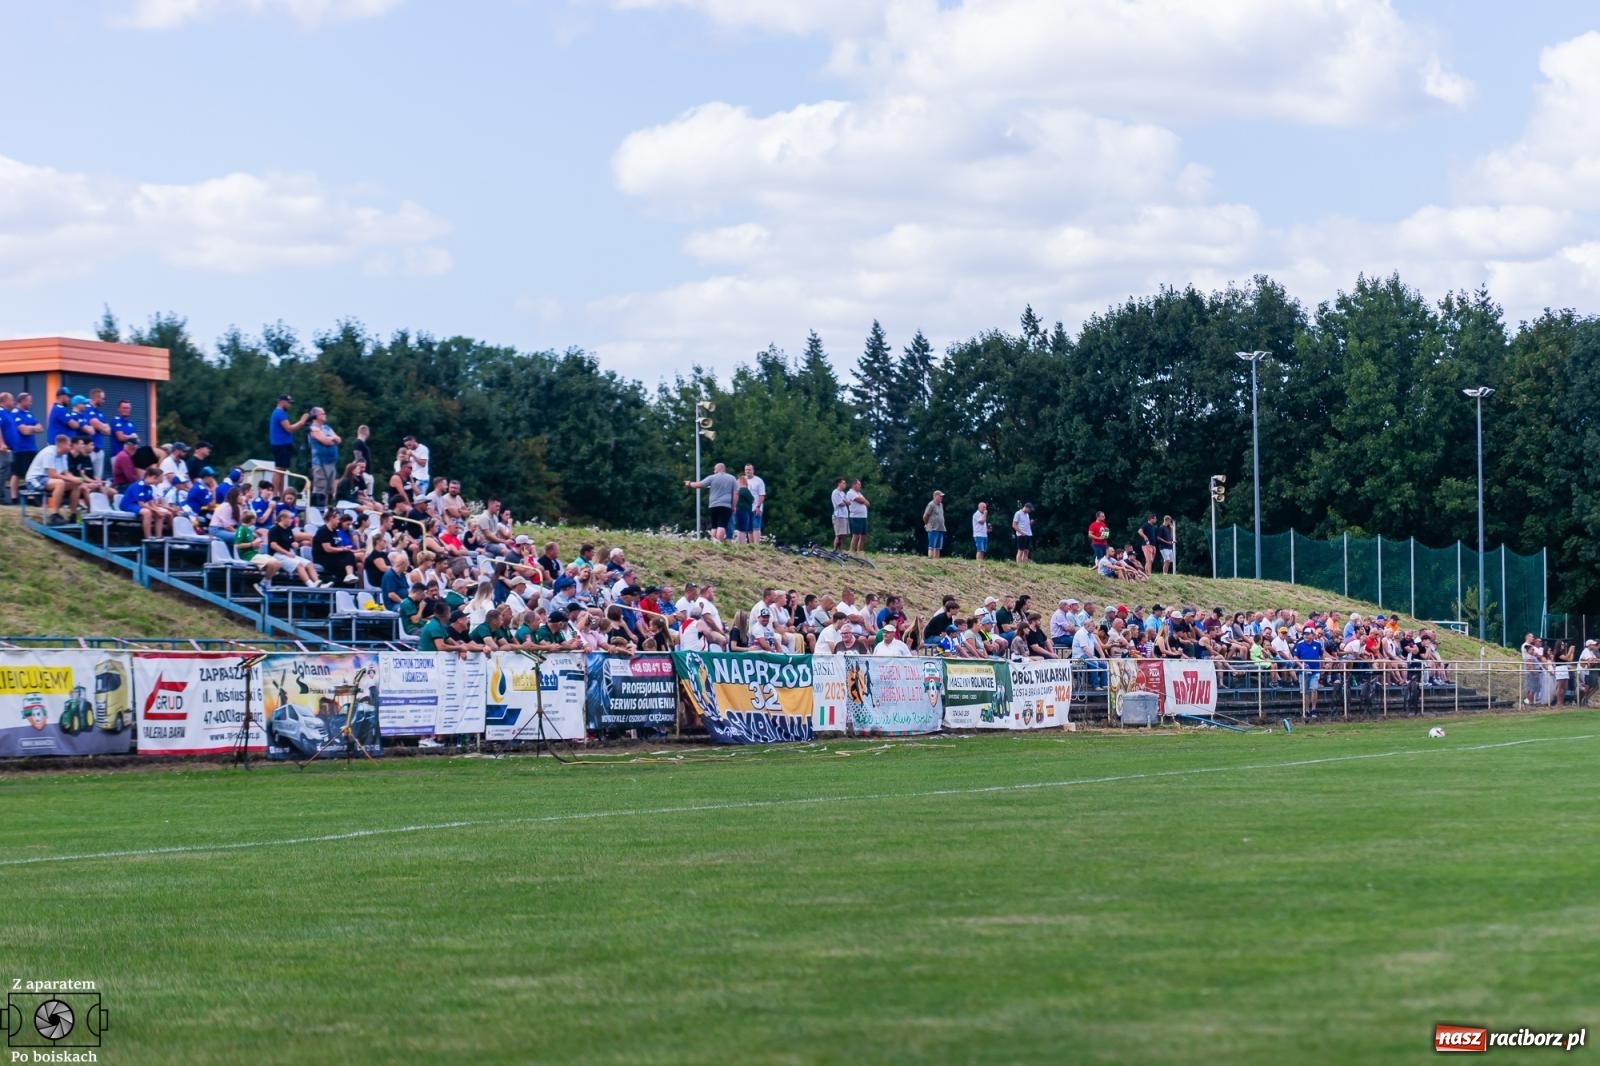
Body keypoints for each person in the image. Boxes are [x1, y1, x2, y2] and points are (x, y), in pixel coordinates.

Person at [685, 462, 738, 543]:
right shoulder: (732, 478)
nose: (714, 471)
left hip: (714, 505)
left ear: (718, 469)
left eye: (714, 469)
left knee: (714, 526)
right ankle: (719, 542)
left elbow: (699, 485)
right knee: (722, 525)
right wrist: (734, 506)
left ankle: (714, 541)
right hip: (726, 505)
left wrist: (689, 483)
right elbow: (735, 494)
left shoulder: (712, 477)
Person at [267, 394, 309, 494]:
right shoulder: (279, 413)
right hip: (280, 444)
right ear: (282, 402)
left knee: (282, 470)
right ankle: (275, 494)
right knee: (279, 469)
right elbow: (289, 428)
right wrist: (302, 421)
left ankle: (281, 494)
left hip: (284, 444)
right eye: (289, 403)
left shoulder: (282, 413)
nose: (290, 405)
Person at [8, 392, 41, 501]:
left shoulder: (29, 413)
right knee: (17, 473)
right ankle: (14, 497)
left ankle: (31, 496)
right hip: (20, 448)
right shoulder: (15, 413)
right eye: (29, 400)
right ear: (22, 401)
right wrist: (33, 428)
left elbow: (40, 428)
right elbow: (23, 431)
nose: (31, 403)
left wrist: (30, 428)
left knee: (31, 472)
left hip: (31, 448)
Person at [307, 407, 342, 505]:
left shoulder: (327, 428)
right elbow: (325, 441)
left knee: (330, 489)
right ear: (316, 416)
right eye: (322, 413)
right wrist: (332, 439)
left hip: (331, 463)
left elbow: (338, 439)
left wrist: (332, 439)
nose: (325, 415)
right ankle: (318, 510)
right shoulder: (313, 429)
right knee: (320, 488)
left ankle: (326, 510)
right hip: (321, 464)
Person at [743, 463, 767, 545]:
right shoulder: (742, 480)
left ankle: (757, 545)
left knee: (756, 527)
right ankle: (751, 545)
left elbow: (762, 495)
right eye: (746, 469)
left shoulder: (758, 481)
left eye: (749, 469)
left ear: (753, 470)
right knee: (749, 528)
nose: (747, 471)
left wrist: (758, 506)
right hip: (746, 508)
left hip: (756, 507)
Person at [0, 392, 17, 505]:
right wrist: (1, 443)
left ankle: (1, 495)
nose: (13, 402)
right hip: (3, 449)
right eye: (11, 400)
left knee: (6, 472)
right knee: (2, 471)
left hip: (10, 449)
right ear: (4, 401)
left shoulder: (8, 413)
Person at [846, 479, 870, 553]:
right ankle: (851, 550)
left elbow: (868, 503)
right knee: (856, 535)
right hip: (856, 516)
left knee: (863, 536)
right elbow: (860, 500)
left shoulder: (859, 493)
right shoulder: (850, 492)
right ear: (854, 485)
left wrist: (863, 500)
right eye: (859, 484)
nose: (860, 486)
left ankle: (859, 551)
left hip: (863, 516)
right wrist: (863, 500)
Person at [923, 490, 946, 558]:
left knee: (938, 547)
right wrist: (927, 524)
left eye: (942, 496)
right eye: (940, 496)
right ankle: (931, 560)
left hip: (940, 528)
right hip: (933, 528)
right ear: (935, 496)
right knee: (931, 546)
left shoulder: (941, 505)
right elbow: (925, 516)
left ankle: (936, 561)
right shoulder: (931, 504)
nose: (941, 498)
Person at [829, 477, 850, 550]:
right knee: (838, 534)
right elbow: (840, 503)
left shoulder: (843, 493)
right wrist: (846, 502)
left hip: (844, 515)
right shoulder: (835, 492)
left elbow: (848, 502)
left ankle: (840, 550)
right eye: (843, 483)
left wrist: (846, 502)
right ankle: (835, 550)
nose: (845, 484)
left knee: (844, 534)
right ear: (839, 483)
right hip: (838, 516)